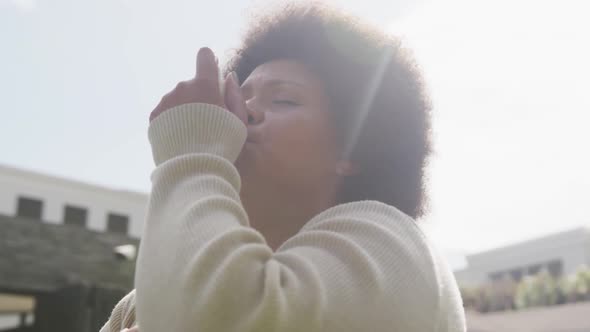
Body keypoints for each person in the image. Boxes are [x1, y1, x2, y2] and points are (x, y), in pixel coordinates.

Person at [101, 2, 465, 331]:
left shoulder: (393, 248)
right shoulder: (139, 306)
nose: (242, 113)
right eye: (239, 98)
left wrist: (191, 150)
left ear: (353, 150)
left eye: (284, 100)